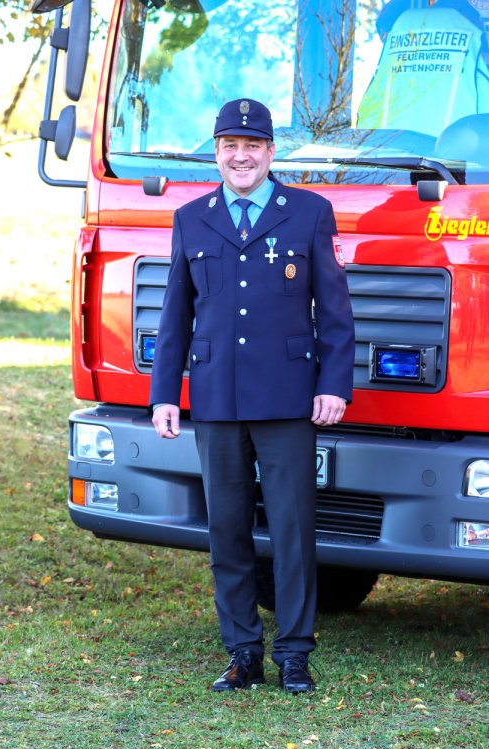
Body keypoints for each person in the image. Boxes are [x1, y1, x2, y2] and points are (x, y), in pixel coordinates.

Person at [149, 98, 355, 693]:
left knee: (293, 532)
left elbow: (336, 314)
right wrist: (166, 394)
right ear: (216, 153)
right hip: (215, 400)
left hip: (289, 399)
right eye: (229, 146)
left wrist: (334, 384)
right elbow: (175, 317)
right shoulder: (192, 218)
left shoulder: (309, 214)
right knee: (227, 532)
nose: (241, 156)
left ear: (270, 153)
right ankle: (243, 651)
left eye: (253, 146)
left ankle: (295, 652)